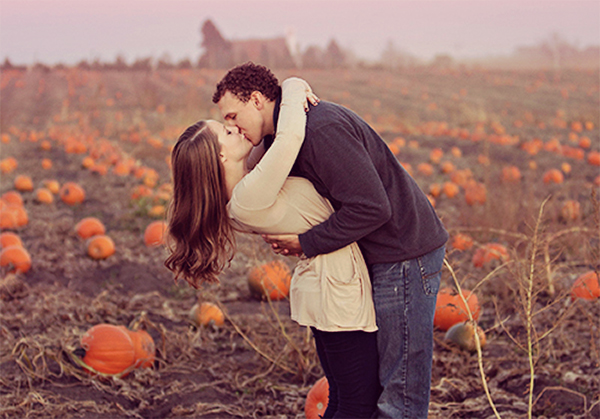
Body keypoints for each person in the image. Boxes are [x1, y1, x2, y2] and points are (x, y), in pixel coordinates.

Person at [213, 62, 449, 419]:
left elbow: (372, 208)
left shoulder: (320, 131)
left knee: (399, 392)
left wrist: (307, 241)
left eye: (233, 115)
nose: (231, 126)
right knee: (378, 388)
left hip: (404, 253)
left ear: (257, 100)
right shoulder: (282, 137)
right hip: (377, 255)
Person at [165, 77, 382, 418]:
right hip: (337, 292)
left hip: (328, 288)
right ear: (221, 154)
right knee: (357, 403)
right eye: (225, 130)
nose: (233, 128)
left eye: (231, 121)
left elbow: (274, 144)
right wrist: (293, 86)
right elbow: (290, 137)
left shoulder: (247, 185)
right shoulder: (248, 197)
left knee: (343, 398)